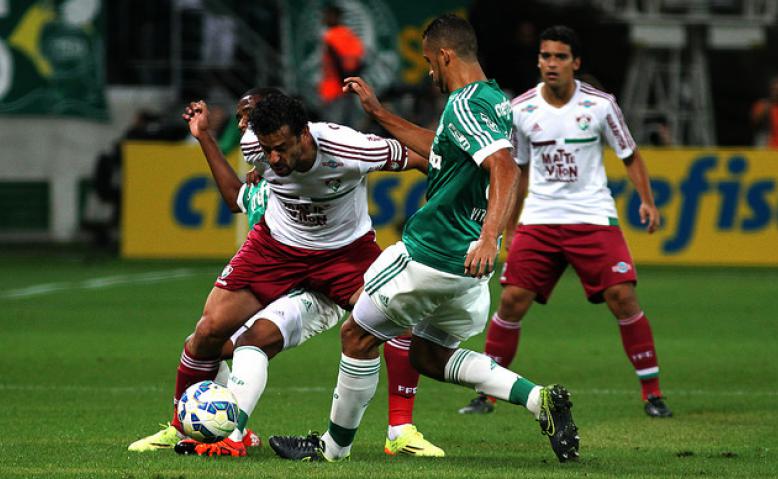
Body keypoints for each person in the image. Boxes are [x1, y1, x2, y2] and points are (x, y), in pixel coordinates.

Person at [268, 14, 580, 464]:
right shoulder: (493, 100)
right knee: (430, 357)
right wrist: (378, 115)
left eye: (430, 62)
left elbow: (506, 167)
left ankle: (332, 449)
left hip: (431, 253)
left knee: (357, 334)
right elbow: (442, 151)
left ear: (446, 56)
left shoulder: (464, 105)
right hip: (466, 270)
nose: (429, 71)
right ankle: (539, 400)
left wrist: (492, 235)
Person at [129, 88, 444, 457]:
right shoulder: (255, 145)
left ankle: (400, 433)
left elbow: (424, 158)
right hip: (275, 247)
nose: (273, 158)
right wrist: (206, 137)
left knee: (395, 317)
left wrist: (444, 209)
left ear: (304, 134)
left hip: (345, 254)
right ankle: (179, 425)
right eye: (267, 149)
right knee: (207, 331)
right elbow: (237, 195)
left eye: (281, 147)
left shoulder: (352, 148)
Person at [458, 25, 672, 419]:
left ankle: (653, 393)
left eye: (559, 57)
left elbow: (630, 154)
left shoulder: (601, 105)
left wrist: (647, 202)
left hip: (592, 216)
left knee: (622, 298)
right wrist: (509, 225)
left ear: (575, 62)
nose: (550, 64)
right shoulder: (521, 109)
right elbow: (515, 171)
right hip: (540, 218)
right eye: (545, 56)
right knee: (511, 301)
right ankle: (485, 395)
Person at [318, 4, 364, 126]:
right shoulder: (349, 35)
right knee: (348, 128)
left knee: (334, 131)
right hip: (343, 89)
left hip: (336, 90)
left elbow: (338, 61)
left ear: (335, 17)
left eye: (327, 15)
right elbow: (360, 61)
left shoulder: (333, 35)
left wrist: (344, 82)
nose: (325, 18)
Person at [750, 76, 778, 148]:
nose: (776, 92)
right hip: (767, 147)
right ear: (770, 90)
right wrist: (766, 108)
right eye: (774, 89)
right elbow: (754, 120)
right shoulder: (763, 105)